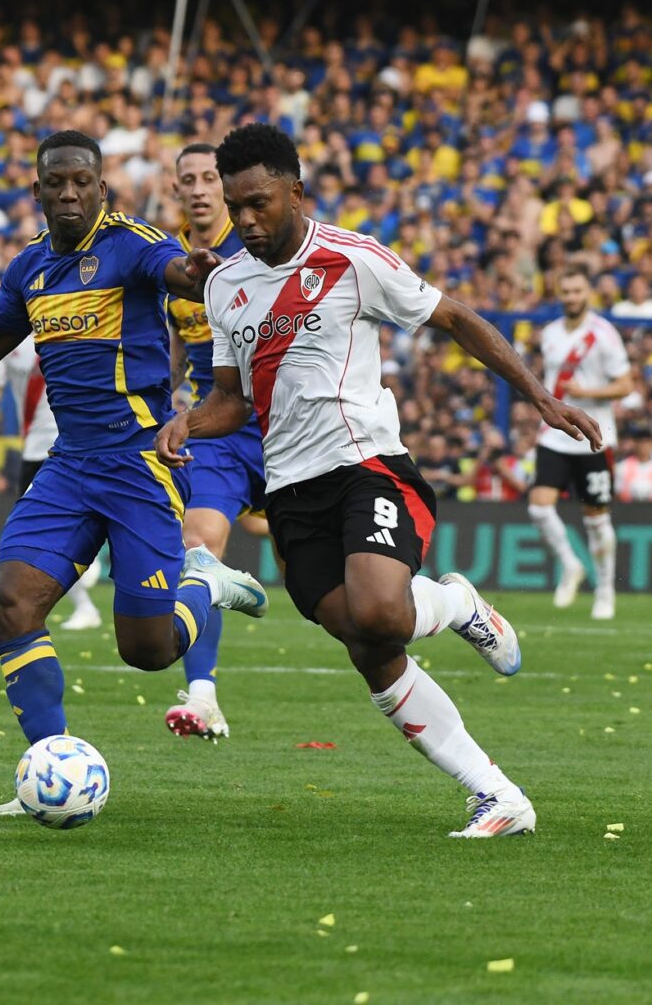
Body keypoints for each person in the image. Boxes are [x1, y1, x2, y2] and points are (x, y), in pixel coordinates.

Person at [155, 123, 601, 838]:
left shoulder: (351, 258)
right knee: (365, 643)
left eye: (258, 203)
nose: (244, 220)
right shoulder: (227, 285)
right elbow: (231, 400)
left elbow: (454, 317)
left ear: (294, 192)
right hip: (289, 489)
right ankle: (497, 796)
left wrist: (538, 397)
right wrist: (186, 423)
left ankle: (456, 605)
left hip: (366, 466)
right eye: (236, 207)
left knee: (383, 611)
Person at [0, 130, 268, 816]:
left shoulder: (132, 244)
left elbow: (176, 271)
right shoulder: (30, 269)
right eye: (55, 183)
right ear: (36, 191)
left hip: (139, 464)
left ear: (100, 190)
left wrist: (201, 269)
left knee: (147, 652)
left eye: (80, 183)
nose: (68, 193)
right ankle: (46, 768)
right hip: (70, 465)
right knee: (12, 604)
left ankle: (203, 583)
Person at [164, 143, 269, 740]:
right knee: (197, 547)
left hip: (288, 424)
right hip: (220, 425)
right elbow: (179, 340)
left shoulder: (257, 240)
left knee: (336, 596)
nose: (200, 189)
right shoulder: (170, 259)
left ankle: (449, 607)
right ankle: (202, 697)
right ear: (178, 189)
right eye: (190, 180)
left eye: (210, 179)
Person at [527, 265, 633, 620]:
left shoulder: (604, 334)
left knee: (596, 520)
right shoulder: (551, 333)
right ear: (559, 294)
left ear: (588, 292)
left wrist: (587, 393)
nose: (571, 297)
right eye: (566, 291)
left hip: (595, 436)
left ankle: (605, 591)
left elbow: (625, 384)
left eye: (577, 291)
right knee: (539, 507)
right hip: (556, 434)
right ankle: (571, 565)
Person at [0, 334, 103, 630]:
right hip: (33, 446)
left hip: (71, 442)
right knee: (42, 528)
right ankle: (85, 606)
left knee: (81, 512)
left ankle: (95, 566)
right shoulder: (7, 339)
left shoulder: (69, 329)